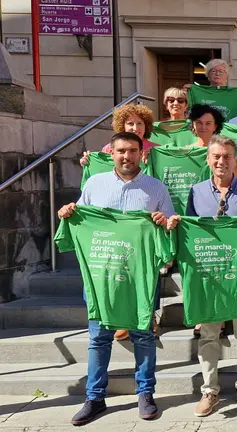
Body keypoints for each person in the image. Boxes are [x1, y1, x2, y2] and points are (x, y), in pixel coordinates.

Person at [60, 132, 175, 426]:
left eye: (133, 151)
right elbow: (80, 217)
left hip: (139, 277)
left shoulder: (156, 188)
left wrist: (164, 223)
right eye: (121, 151)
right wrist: (68, 212)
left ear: (141, 153)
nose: (127, 156)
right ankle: (94, 398)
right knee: (99, 338)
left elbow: (172, 231)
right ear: (111, 152)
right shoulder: (95, 184)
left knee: (144, 335)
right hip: (101, 277)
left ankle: (146, 393)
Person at [165, 135, 237, 417]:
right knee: (209, 335)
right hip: (209, 276)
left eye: (227, 157)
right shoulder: (196, 192)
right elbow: (189, 232)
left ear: (235, 160)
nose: (222, 162)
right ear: (208, 160)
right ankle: (210, 391)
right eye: (217, 157)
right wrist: (176, 224)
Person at [80, 104, 159, 168]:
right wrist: (89, 162)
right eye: (130, 123)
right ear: (122, 126)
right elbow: (103, 168)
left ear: (146, 126)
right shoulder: (109, 148)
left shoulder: (156, 149)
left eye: (140, 123)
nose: (135, 128)